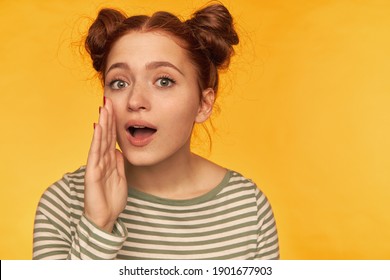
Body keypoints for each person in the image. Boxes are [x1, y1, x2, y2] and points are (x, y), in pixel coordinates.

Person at [33, 2, 279, 260]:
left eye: (164, 81)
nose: (135, 100)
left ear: (203, 104)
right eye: (119, 82)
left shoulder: (248, 208)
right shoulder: (64, 202)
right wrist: (98, 224)